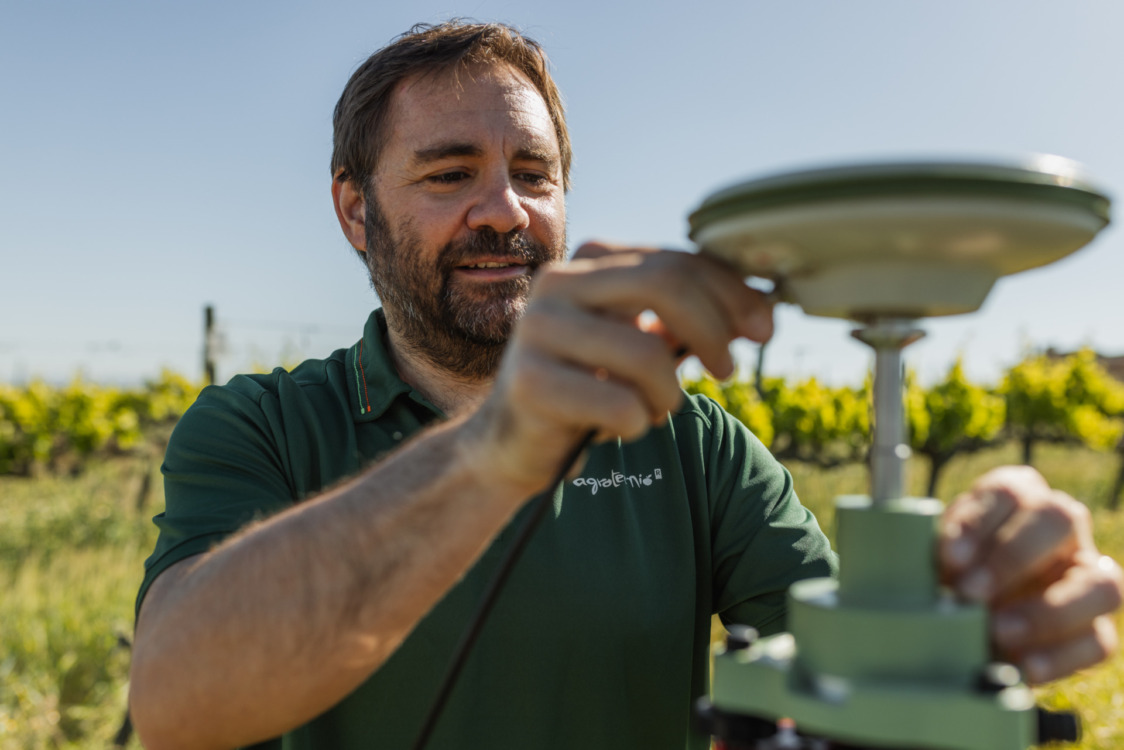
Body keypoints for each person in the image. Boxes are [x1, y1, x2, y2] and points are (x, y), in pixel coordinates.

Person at [128, 20, 1123, 750]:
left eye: (534, 170)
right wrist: (491, 452)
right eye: (447, 174)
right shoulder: (257, 426)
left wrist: (956, 605)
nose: (503, 210)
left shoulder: (690, 442)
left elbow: (828, 673)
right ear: (354, 211)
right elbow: (175, 701)